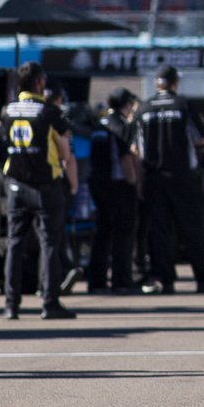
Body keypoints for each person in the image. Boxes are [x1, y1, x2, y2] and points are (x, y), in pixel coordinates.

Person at [136, 66, 204, 296]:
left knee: (159, 230)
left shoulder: (144, 108)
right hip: (183, 177)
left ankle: (164, 279)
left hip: (153, 177)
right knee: (193, 228)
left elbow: (136, 148)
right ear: (174, 83)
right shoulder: (183, 105)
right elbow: (203, 139)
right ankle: (203, 278)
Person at [0, 63, 79, 321]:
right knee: (49, 243)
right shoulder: (49, 112)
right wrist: (71, 179)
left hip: (15, 185)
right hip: (46, 185)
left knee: (15, 244)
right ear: (39, 82)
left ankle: (11, 304)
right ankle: (50, 302)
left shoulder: (8, 109)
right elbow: (65, 148)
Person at [87, 89, 142, 292]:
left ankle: (96, 281)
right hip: (118, 185)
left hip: (98, 183)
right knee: (123, 234)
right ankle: (122, 280)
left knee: (102, 232)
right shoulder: (120, 125)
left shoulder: (100, 124)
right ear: (126, 104)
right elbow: (125, 157)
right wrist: (134, 183)